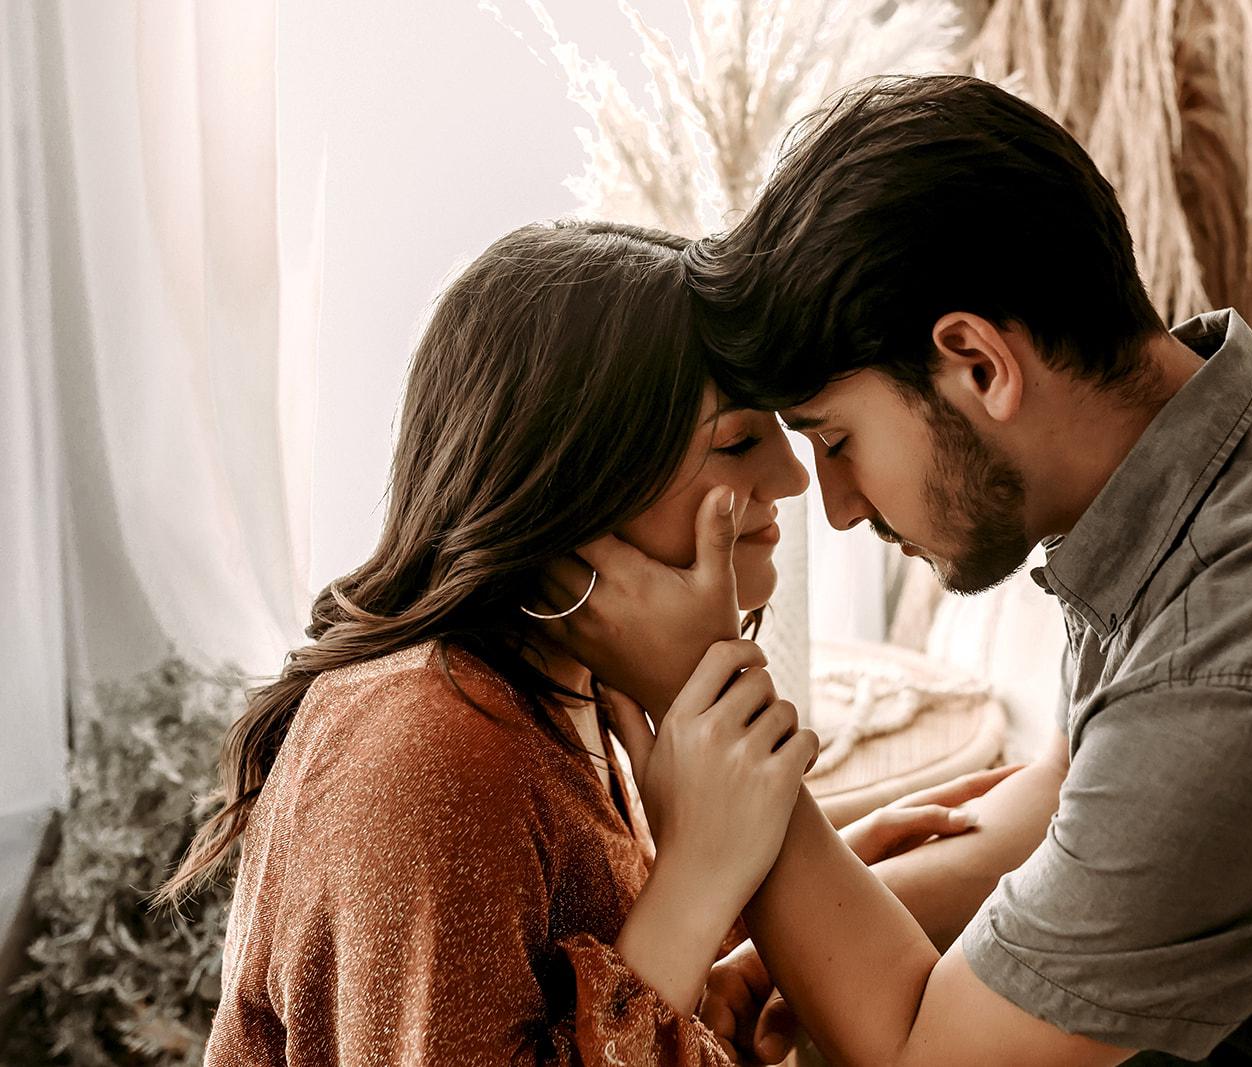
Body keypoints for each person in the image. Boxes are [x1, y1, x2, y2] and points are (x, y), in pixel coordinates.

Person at [571, 76, 1252, 1065]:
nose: (837, 506)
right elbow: (1073, 798)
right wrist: (779, 949)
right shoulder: (1218, 453)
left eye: (836, 439)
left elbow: (927, 1056)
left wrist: (711, 707)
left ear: (978, 363)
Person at [159, 220, 999, 1065]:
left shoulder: (570, 688)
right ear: (577, 478)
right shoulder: (428, 751)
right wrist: (703, 877)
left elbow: (570, 951)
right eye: (740, 441)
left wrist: (782, 878)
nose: (791, 479)